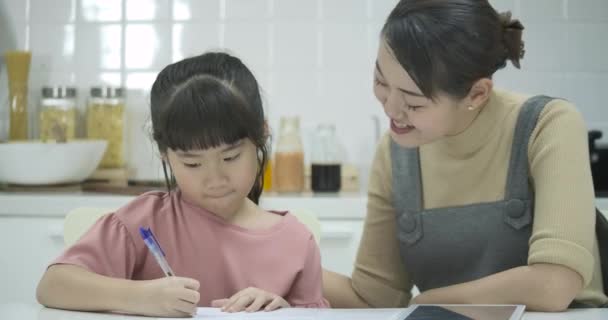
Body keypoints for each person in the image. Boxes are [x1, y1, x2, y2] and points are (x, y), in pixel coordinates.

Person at [322, 0, 608, 311]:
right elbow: (376, 297)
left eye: (414, 103)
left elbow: (555, 284)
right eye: (380, 81)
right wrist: (276, 256)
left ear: (477, 94)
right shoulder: (395, 154)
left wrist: (430, 301)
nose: (390, 109)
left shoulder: (547, 124)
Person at [36, 51, 329, 317]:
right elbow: (53, 285)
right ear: (165, 154)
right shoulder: (143, 222)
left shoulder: (295, 242)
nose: (214, 178)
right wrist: (139, 297)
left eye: (231, 157)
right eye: (192, 164)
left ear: (262, 136)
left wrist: (283, 310)